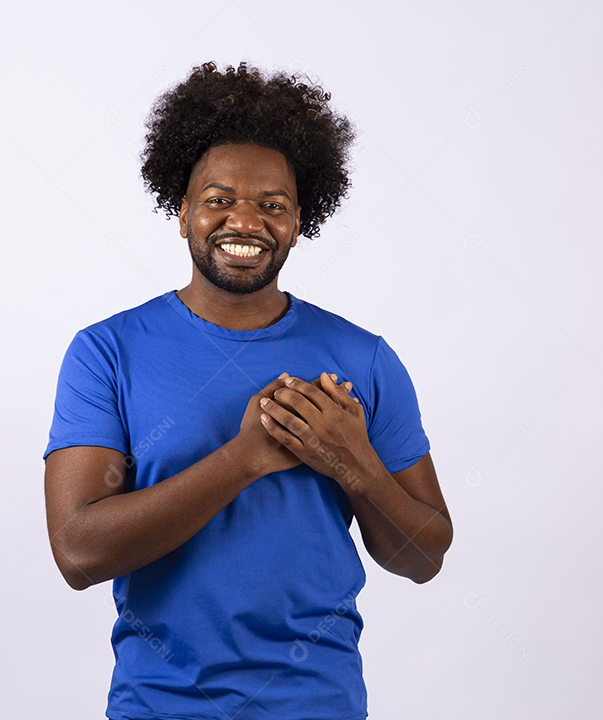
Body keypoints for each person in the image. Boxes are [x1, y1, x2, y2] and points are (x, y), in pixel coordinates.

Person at [42, 61, 452, 720]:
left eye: (272, 205)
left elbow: (424, 556)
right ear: (182, 213)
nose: (245, 221)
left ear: (298, 220)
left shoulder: (364, 358)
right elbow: (78, 553)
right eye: (219, 199)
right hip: (159, 706)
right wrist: (246, 458)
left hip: (318, 705)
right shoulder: (107, 352)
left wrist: (352, 461)